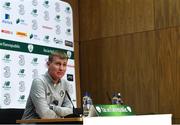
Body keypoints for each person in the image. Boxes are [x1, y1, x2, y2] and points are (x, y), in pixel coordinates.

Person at [21, 51, 73, 119]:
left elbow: (70, 111)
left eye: (64, 65)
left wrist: (53, 108)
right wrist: (61, 118)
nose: (61, 68)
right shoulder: (39, 82)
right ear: (48, 64)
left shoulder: (66, 84)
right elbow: (44, 114)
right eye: (58, 64)